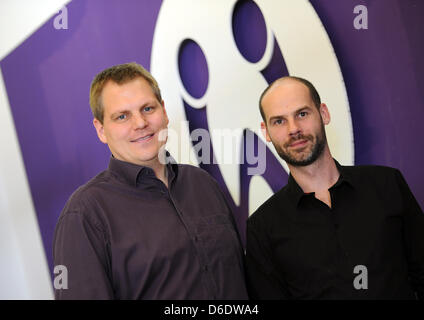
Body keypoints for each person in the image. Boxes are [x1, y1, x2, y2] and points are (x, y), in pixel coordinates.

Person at [53, 62, 248, 299]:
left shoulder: (202, 183)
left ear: (164, 112)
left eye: (147, 109)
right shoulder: (86, 214)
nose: (140, 124)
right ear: (101, 130)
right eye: (122, 116)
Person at [245, 76, 424, 299]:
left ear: (324, 114)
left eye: (302, 114)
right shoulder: (262, 228)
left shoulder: (386, 184)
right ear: (266, 132)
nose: (294, 129)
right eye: (279, 121)